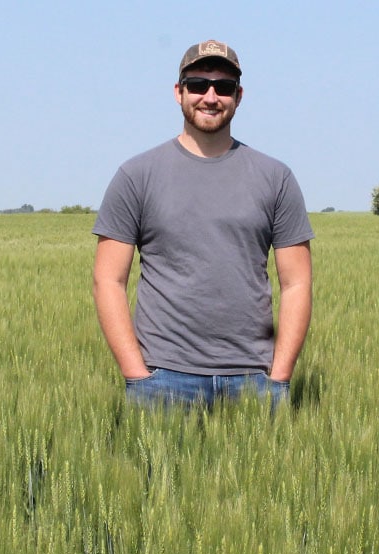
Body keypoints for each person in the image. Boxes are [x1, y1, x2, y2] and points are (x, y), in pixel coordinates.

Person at [92, 40, 314, 410]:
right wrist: (136, 375)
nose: (210, 96)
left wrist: (279, 377)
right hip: (163, 377)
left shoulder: (276, 177)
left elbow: (297, 283)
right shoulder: (136, 176)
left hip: (253, 380)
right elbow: (108, 280)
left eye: (223, 87)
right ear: (179, 92)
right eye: (198, 85)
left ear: (238, 96)